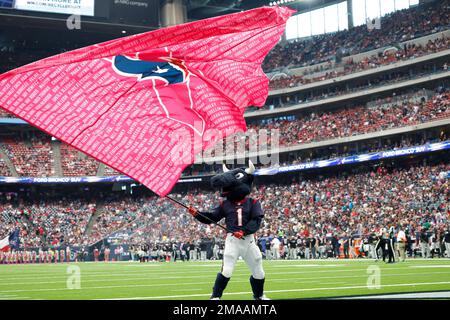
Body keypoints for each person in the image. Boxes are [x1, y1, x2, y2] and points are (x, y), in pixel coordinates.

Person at [188, 161, 268, 300]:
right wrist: (197, 214)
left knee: (259, 271)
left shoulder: (253, 203)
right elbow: (212, 217)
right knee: (227, 270)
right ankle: (215, 297)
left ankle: (259, 296)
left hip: (248, 241)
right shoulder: (225, 204)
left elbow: (256, 221)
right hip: (233, 241)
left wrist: (244, 231)